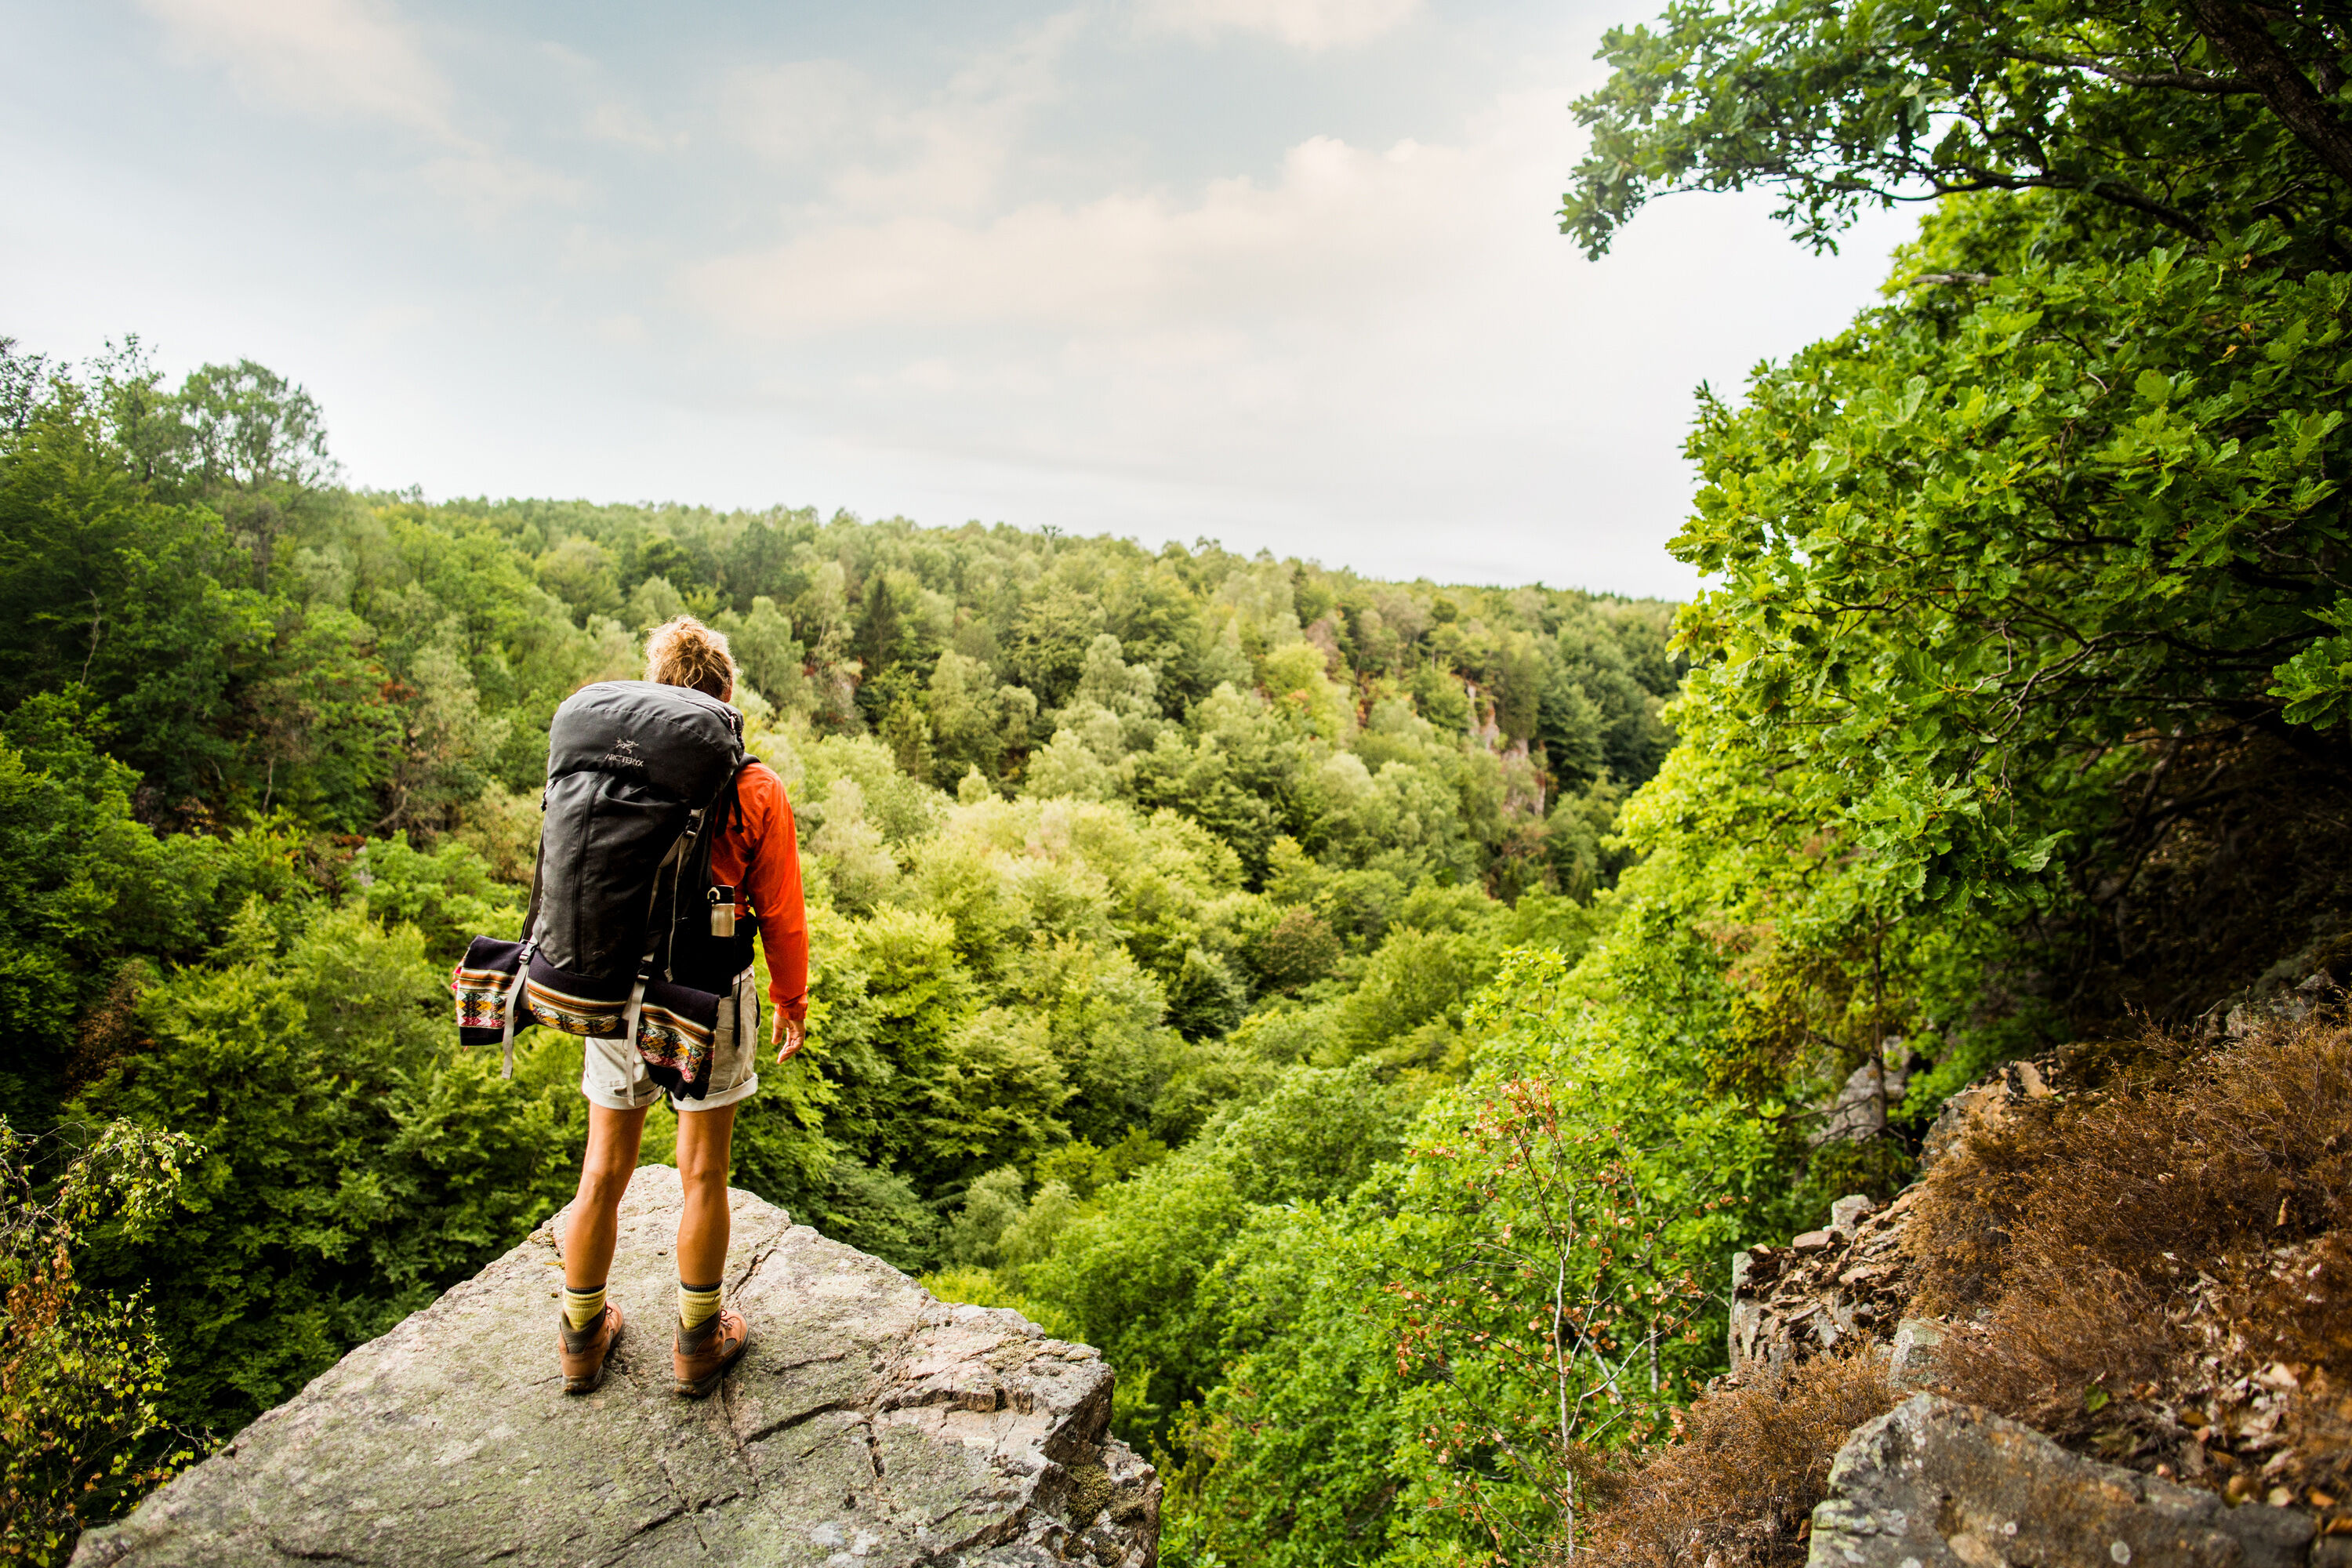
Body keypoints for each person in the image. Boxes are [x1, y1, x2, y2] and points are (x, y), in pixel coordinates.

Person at [555, 617, 809, 1398]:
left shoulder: (608, 772)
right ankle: (699, 1338)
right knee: (702, 1171)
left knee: (602, 1168)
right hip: (706, 993)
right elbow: (781, 910)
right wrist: (790, 996)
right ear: (725, 695)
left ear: (653, 690)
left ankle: (581, 1334)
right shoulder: (754, 785)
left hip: (609, 986)